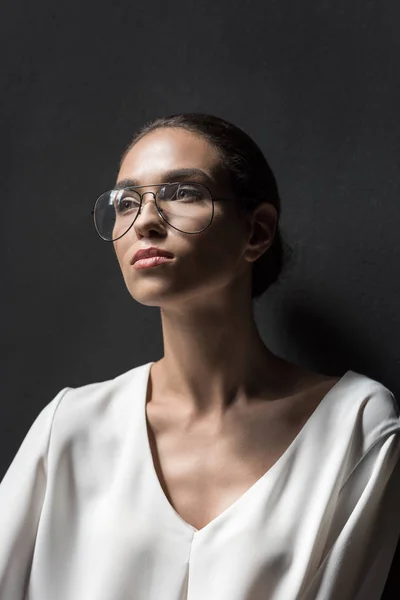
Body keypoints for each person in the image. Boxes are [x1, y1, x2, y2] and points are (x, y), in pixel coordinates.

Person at [1, 113, 399, 600]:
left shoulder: (355, 424)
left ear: (257, 232)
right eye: (126, 202)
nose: (145, 220)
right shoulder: (69, 427)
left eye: (182, 193)